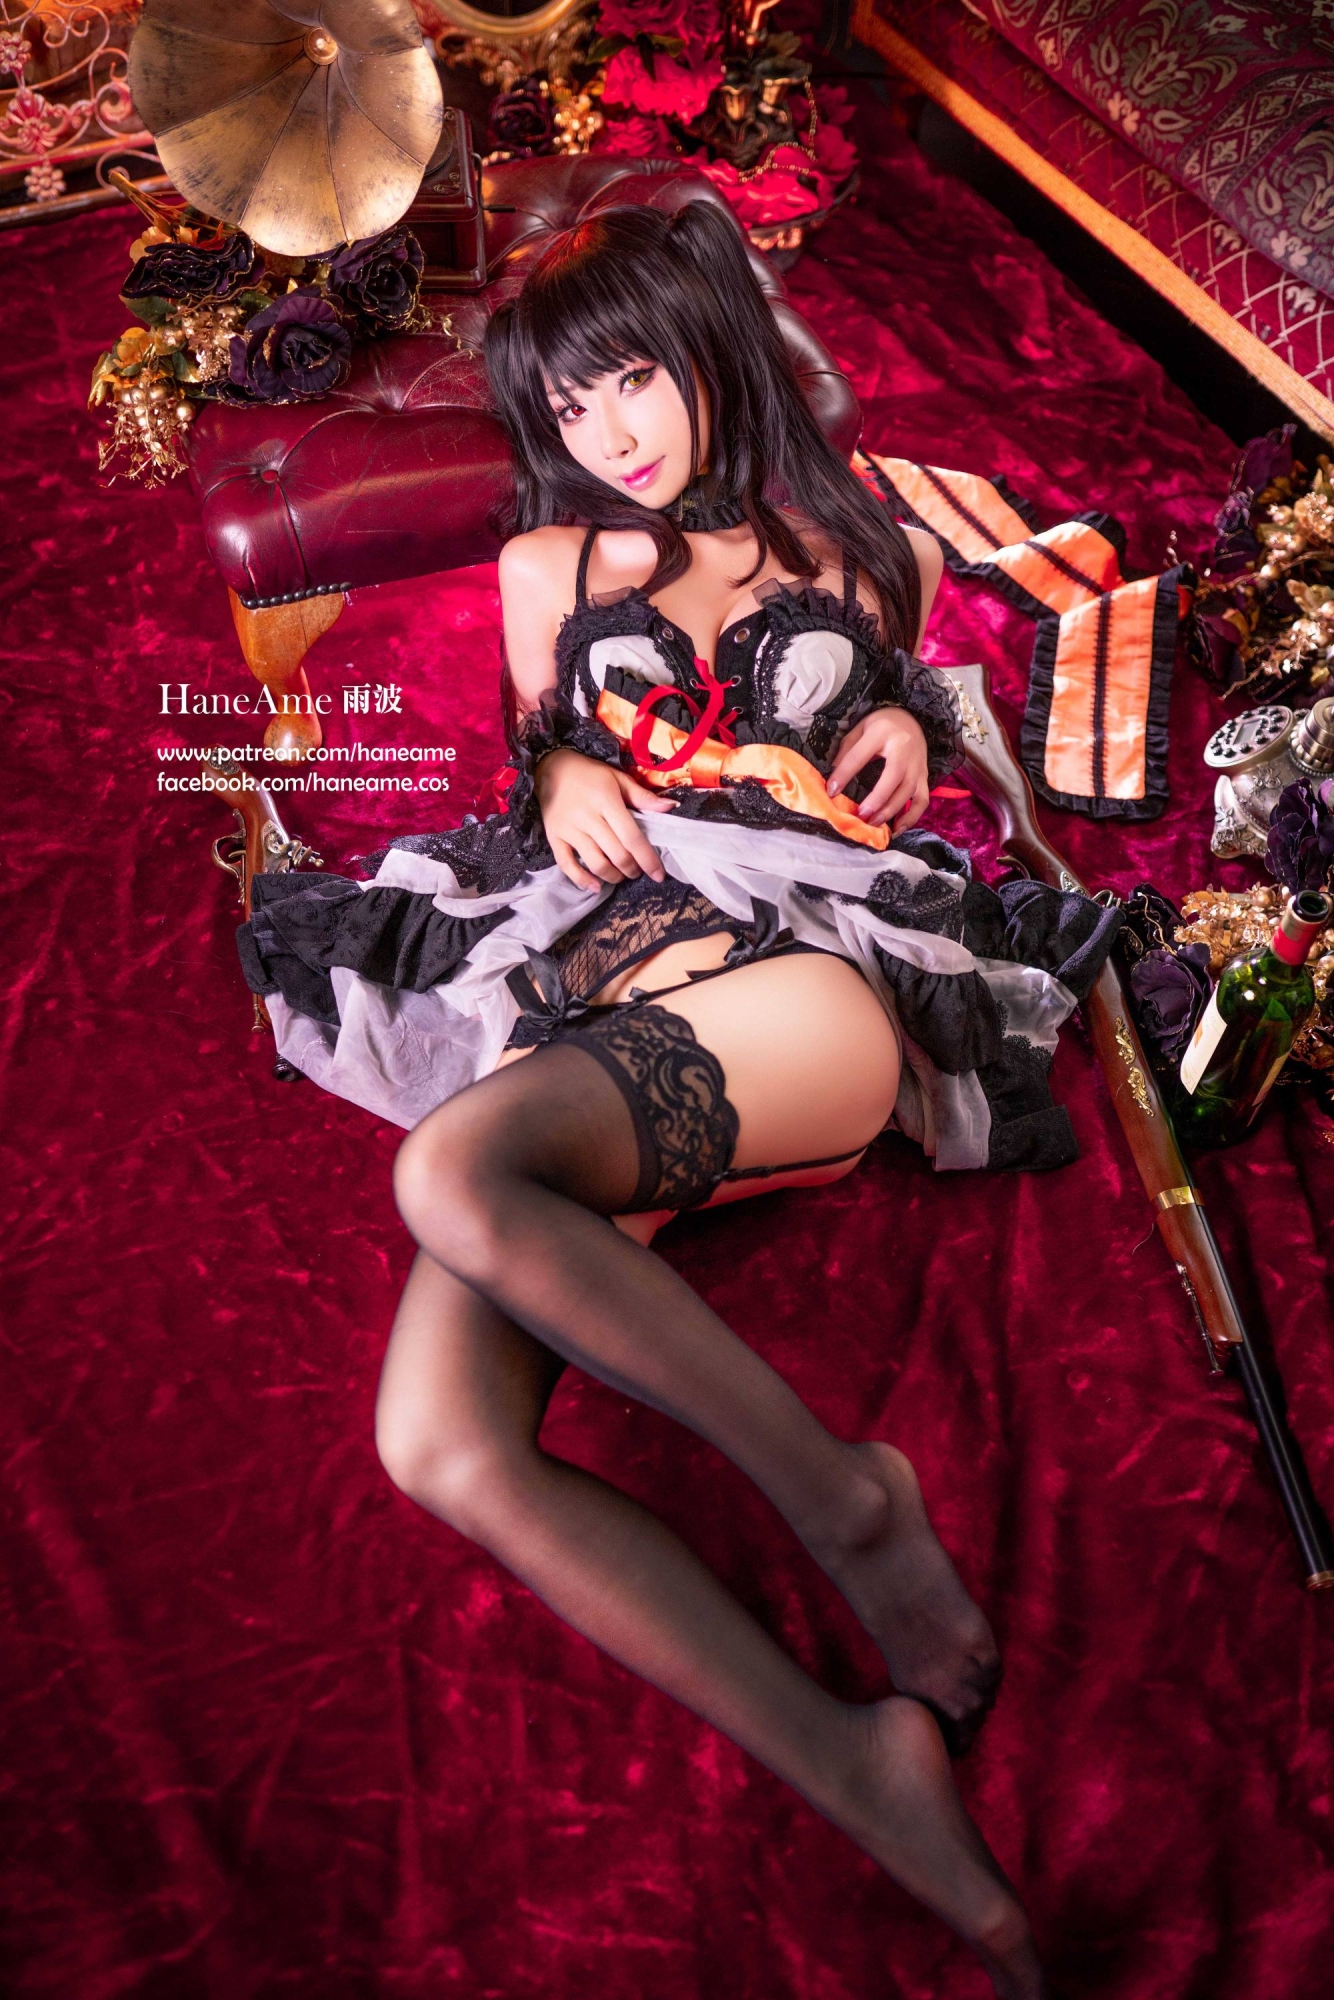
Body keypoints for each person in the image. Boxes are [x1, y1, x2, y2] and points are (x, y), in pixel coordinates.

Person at [237, 201, 1116, 1997]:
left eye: (631, 380)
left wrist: (910, 728)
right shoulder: (547, 565)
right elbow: (543, 741)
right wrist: (560, 767)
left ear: (712, 346)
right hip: (605, 990)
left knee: (453, 1174)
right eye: (569, 408)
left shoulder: (860, 549)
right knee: (438, 1446)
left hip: (805, 987)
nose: (607, 434)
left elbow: (892, 732)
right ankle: (860, 1766)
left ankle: (847, 1504)